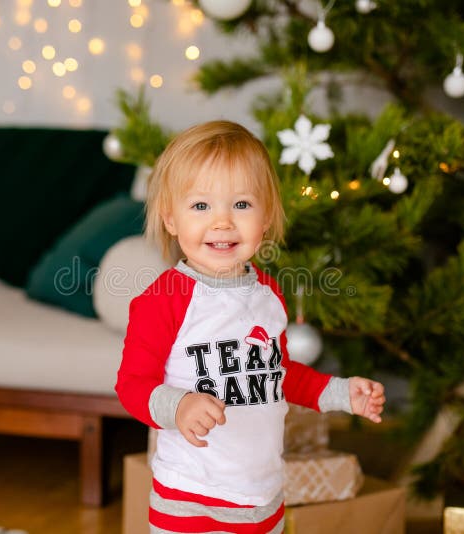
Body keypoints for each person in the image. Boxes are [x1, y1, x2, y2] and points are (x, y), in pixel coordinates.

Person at [116, 120, 385, 534]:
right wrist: (179, 405)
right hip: (188, 495)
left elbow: (280, 375)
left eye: (241, 205)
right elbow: (132, 385)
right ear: (171, 219)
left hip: (260, 495)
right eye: (201, 206)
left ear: (266, 217)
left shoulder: (268, 294)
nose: (222, 222)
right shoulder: (165, 299)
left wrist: (341, 393)